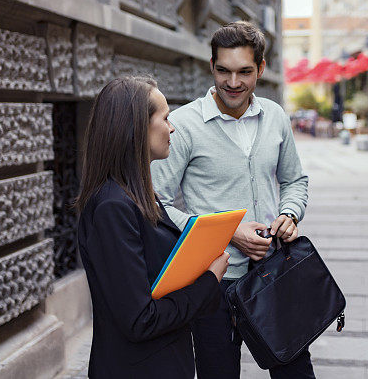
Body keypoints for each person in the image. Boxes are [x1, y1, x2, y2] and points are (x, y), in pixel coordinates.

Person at [152, 21, 313, 379]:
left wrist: (289, 213)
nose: (233, 82)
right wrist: (226, 233)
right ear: (211, 66)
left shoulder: (275, 117)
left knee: (296, 372)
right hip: (213, 282)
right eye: (223, 71)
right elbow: (156, 204)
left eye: (244, 71)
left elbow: (294, 180)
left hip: (274, 272)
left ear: (261, 68)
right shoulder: (183, 125)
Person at [76, 76, 230, 379]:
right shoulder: (112, 208)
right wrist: (209, 281)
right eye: (165, 118)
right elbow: (140, 319)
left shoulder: (140, 196)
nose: (172, 128)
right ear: (136, 128)